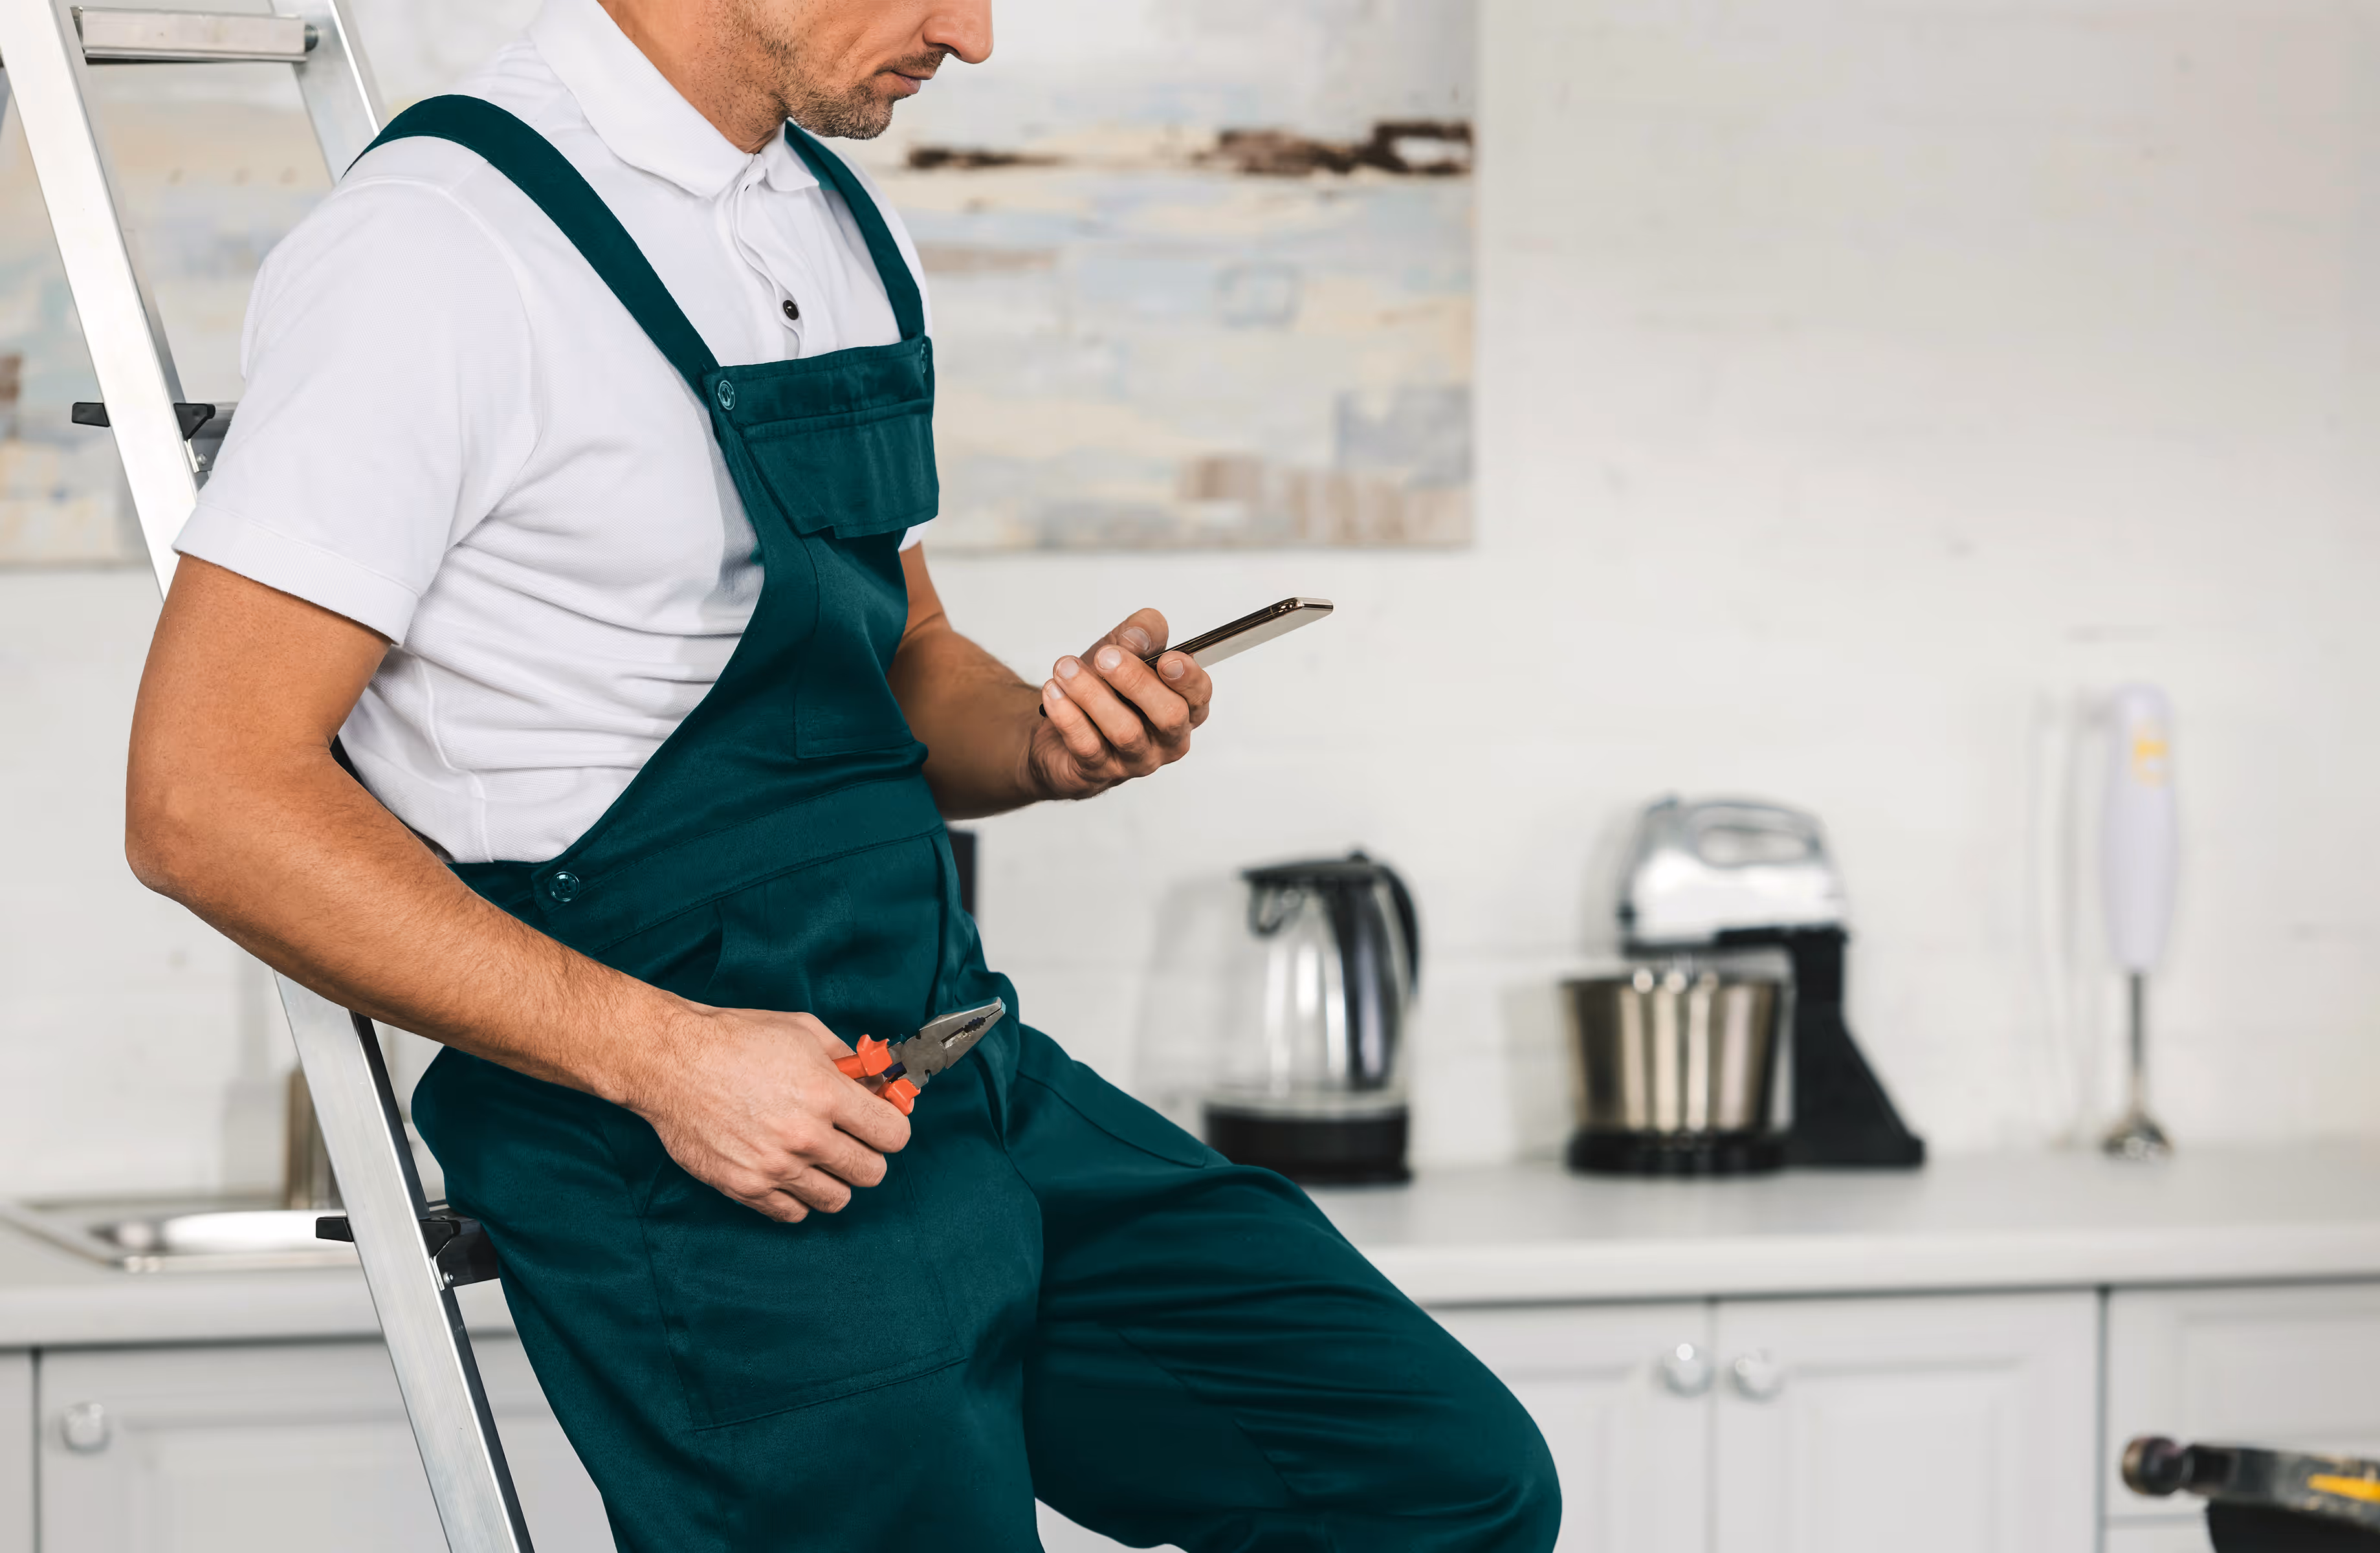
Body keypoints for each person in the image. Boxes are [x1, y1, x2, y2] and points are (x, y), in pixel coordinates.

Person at [121, 0, 1559, 1547]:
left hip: (945, 1057)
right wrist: (670, 1061)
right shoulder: (436, 252)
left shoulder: (833, 222)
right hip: (686, 1135)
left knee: (1435, 1482)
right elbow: (206, 798)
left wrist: (1037, 738)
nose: (977, 35)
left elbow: (902, 654)